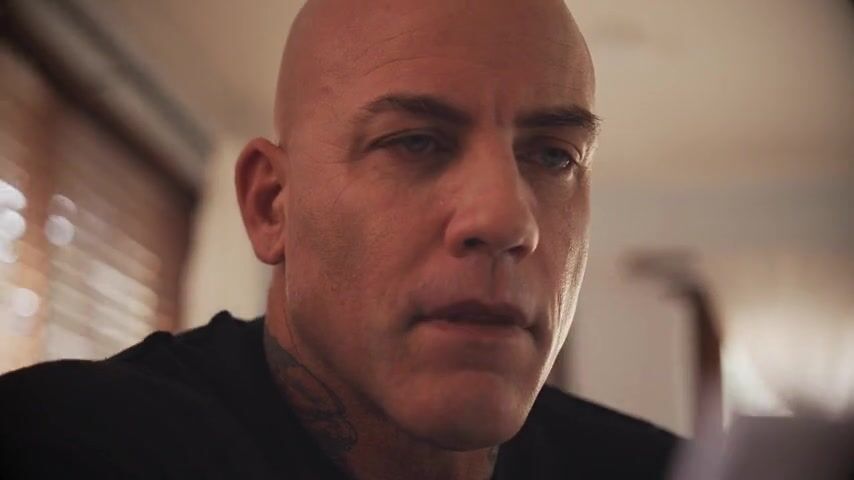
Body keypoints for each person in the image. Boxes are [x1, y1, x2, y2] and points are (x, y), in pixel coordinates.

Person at [0, 0, 679, 478]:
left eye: (555, 155)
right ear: (272, 205)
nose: (507, 222)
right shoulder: (59, 445)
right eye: (415, 142)